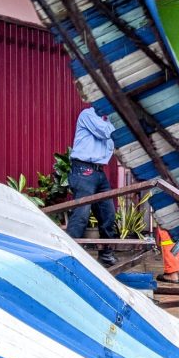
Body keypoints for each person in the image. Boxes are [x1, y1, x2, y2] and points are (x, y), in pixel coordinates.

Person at [66, 107, 118, 267]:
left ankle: (106, 255)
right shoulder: (88, 114)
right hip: (84, 169)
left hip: (98, 171)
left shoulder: (107, 121)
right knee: (81, 215)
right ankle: (68, 257)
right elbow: (107, 133)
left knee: (108, 214)